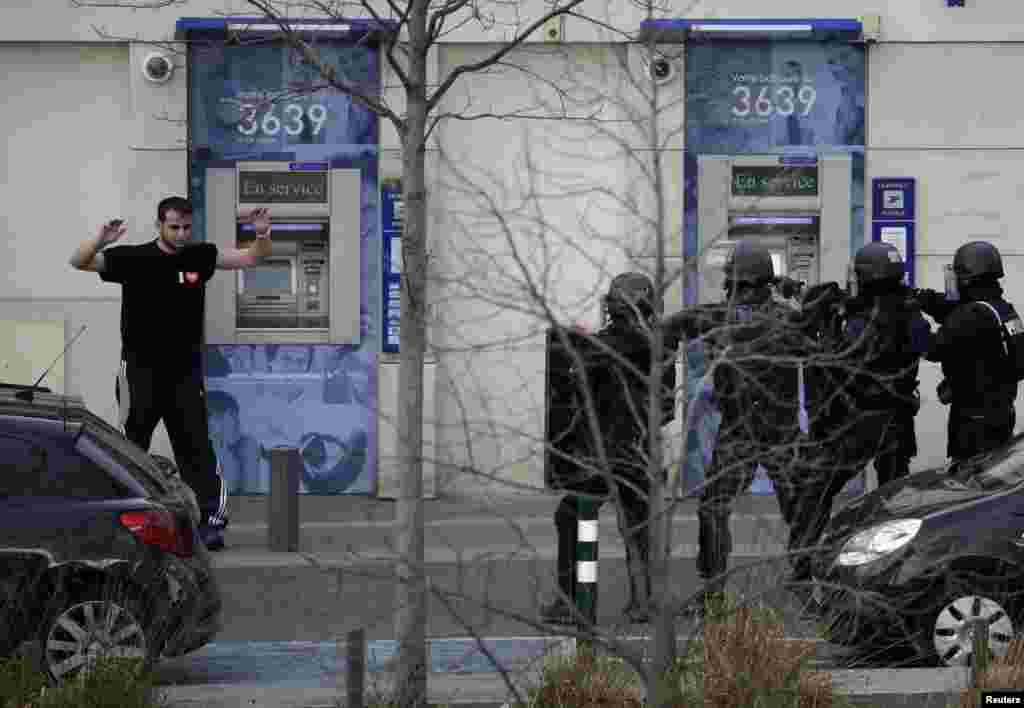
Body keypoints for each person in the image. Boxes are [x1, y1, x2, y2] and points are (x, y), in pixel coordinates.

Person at [69, 196, 273, 550]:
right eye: (173, 227)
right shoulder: (132, 258)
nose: (180, 234)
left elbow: (254, 256)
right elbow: (78, 262)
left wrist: (262, 233)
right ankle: (125, 519)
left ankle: (212, 522)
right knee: (130, 448)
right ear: (159, 224)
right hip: (139, 371)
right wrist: (100, 240)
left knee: (195, 448)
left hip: (185, 373)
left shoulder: (200, 256)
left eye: (186, 227)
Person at [661, 240, 820, 613]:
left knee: (714, 508)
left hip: (741, 430)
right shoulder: (789, 319)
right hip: (779, 431)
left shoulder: (717, 316)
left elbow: (667, 330)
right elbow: (820, 361)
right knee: (799, 509)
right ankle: (805, 580)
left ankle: (715, 589)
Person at [785, 242, 932, 582]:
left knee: (818, 490)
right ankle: (895, 565)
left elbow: (836, 362)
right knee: (893, 497)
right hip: (896, 419)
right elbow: (931, 348)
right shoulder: (911, 315)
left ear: (866, 276)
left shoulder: (855, 321)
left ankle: (803, 564)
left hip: (856, 421)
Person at [542, 272, 678, 625]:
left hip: (601, 454)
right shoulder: (661, 347)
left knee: (569, 516)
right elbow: (666, 409)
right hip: (640, 454)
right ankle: (643, 600)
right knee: (638, 526)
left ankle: (571, 602)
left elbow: (574, 395)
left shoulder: (598, 347)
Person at [917, 241, 1021, 463]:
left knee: (971, 486)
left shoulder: (970, 316)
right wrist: (922, 298)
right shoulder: (1000, 308)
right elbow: (953, 312)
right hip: (1001, 413)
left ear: (967, 278)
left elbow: (932, 348)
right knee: (995, 478)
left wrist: (913, 322)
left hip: (974, 424)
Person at [207, 389, 265, 494]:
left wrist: (223, 451)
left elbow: (249, 492)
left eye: (235, 416)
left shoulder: (247, 445)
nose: (237, 424)